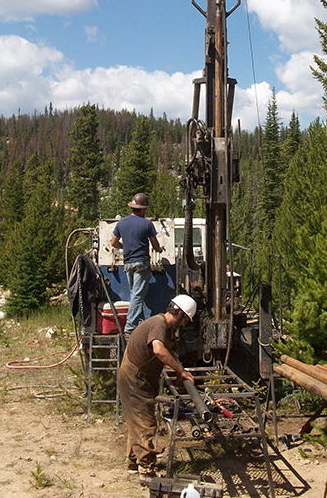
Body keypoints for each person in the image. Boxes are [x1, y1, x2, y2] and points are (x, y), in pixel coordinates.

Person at [117, 294, 197, 486]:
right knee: (145, 423)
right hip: (134, 379)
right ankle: (146, 471)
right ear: (178, 313)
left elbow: (170, 353)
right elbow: (159, 350)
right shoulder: (158, 324)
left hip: (143, 379)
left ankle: (133, 461)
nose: (184, 324)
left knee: (137, 421)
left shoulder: (168, 330)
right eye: (185, 320)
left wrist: (178, 372)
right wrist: (181, 371)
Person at [111, 193, 163, 335]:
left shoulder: (121, 222)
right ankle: (130, 326)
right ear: (144, 208)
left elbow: (113, 242)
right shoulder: (147, 224)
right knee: (138, 296)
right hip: (142, 263)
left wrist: (125, 247)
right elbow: (155, 244)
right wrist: (159, 249)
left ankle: (138, 323)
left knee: (134, 293)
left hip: (127, 263)